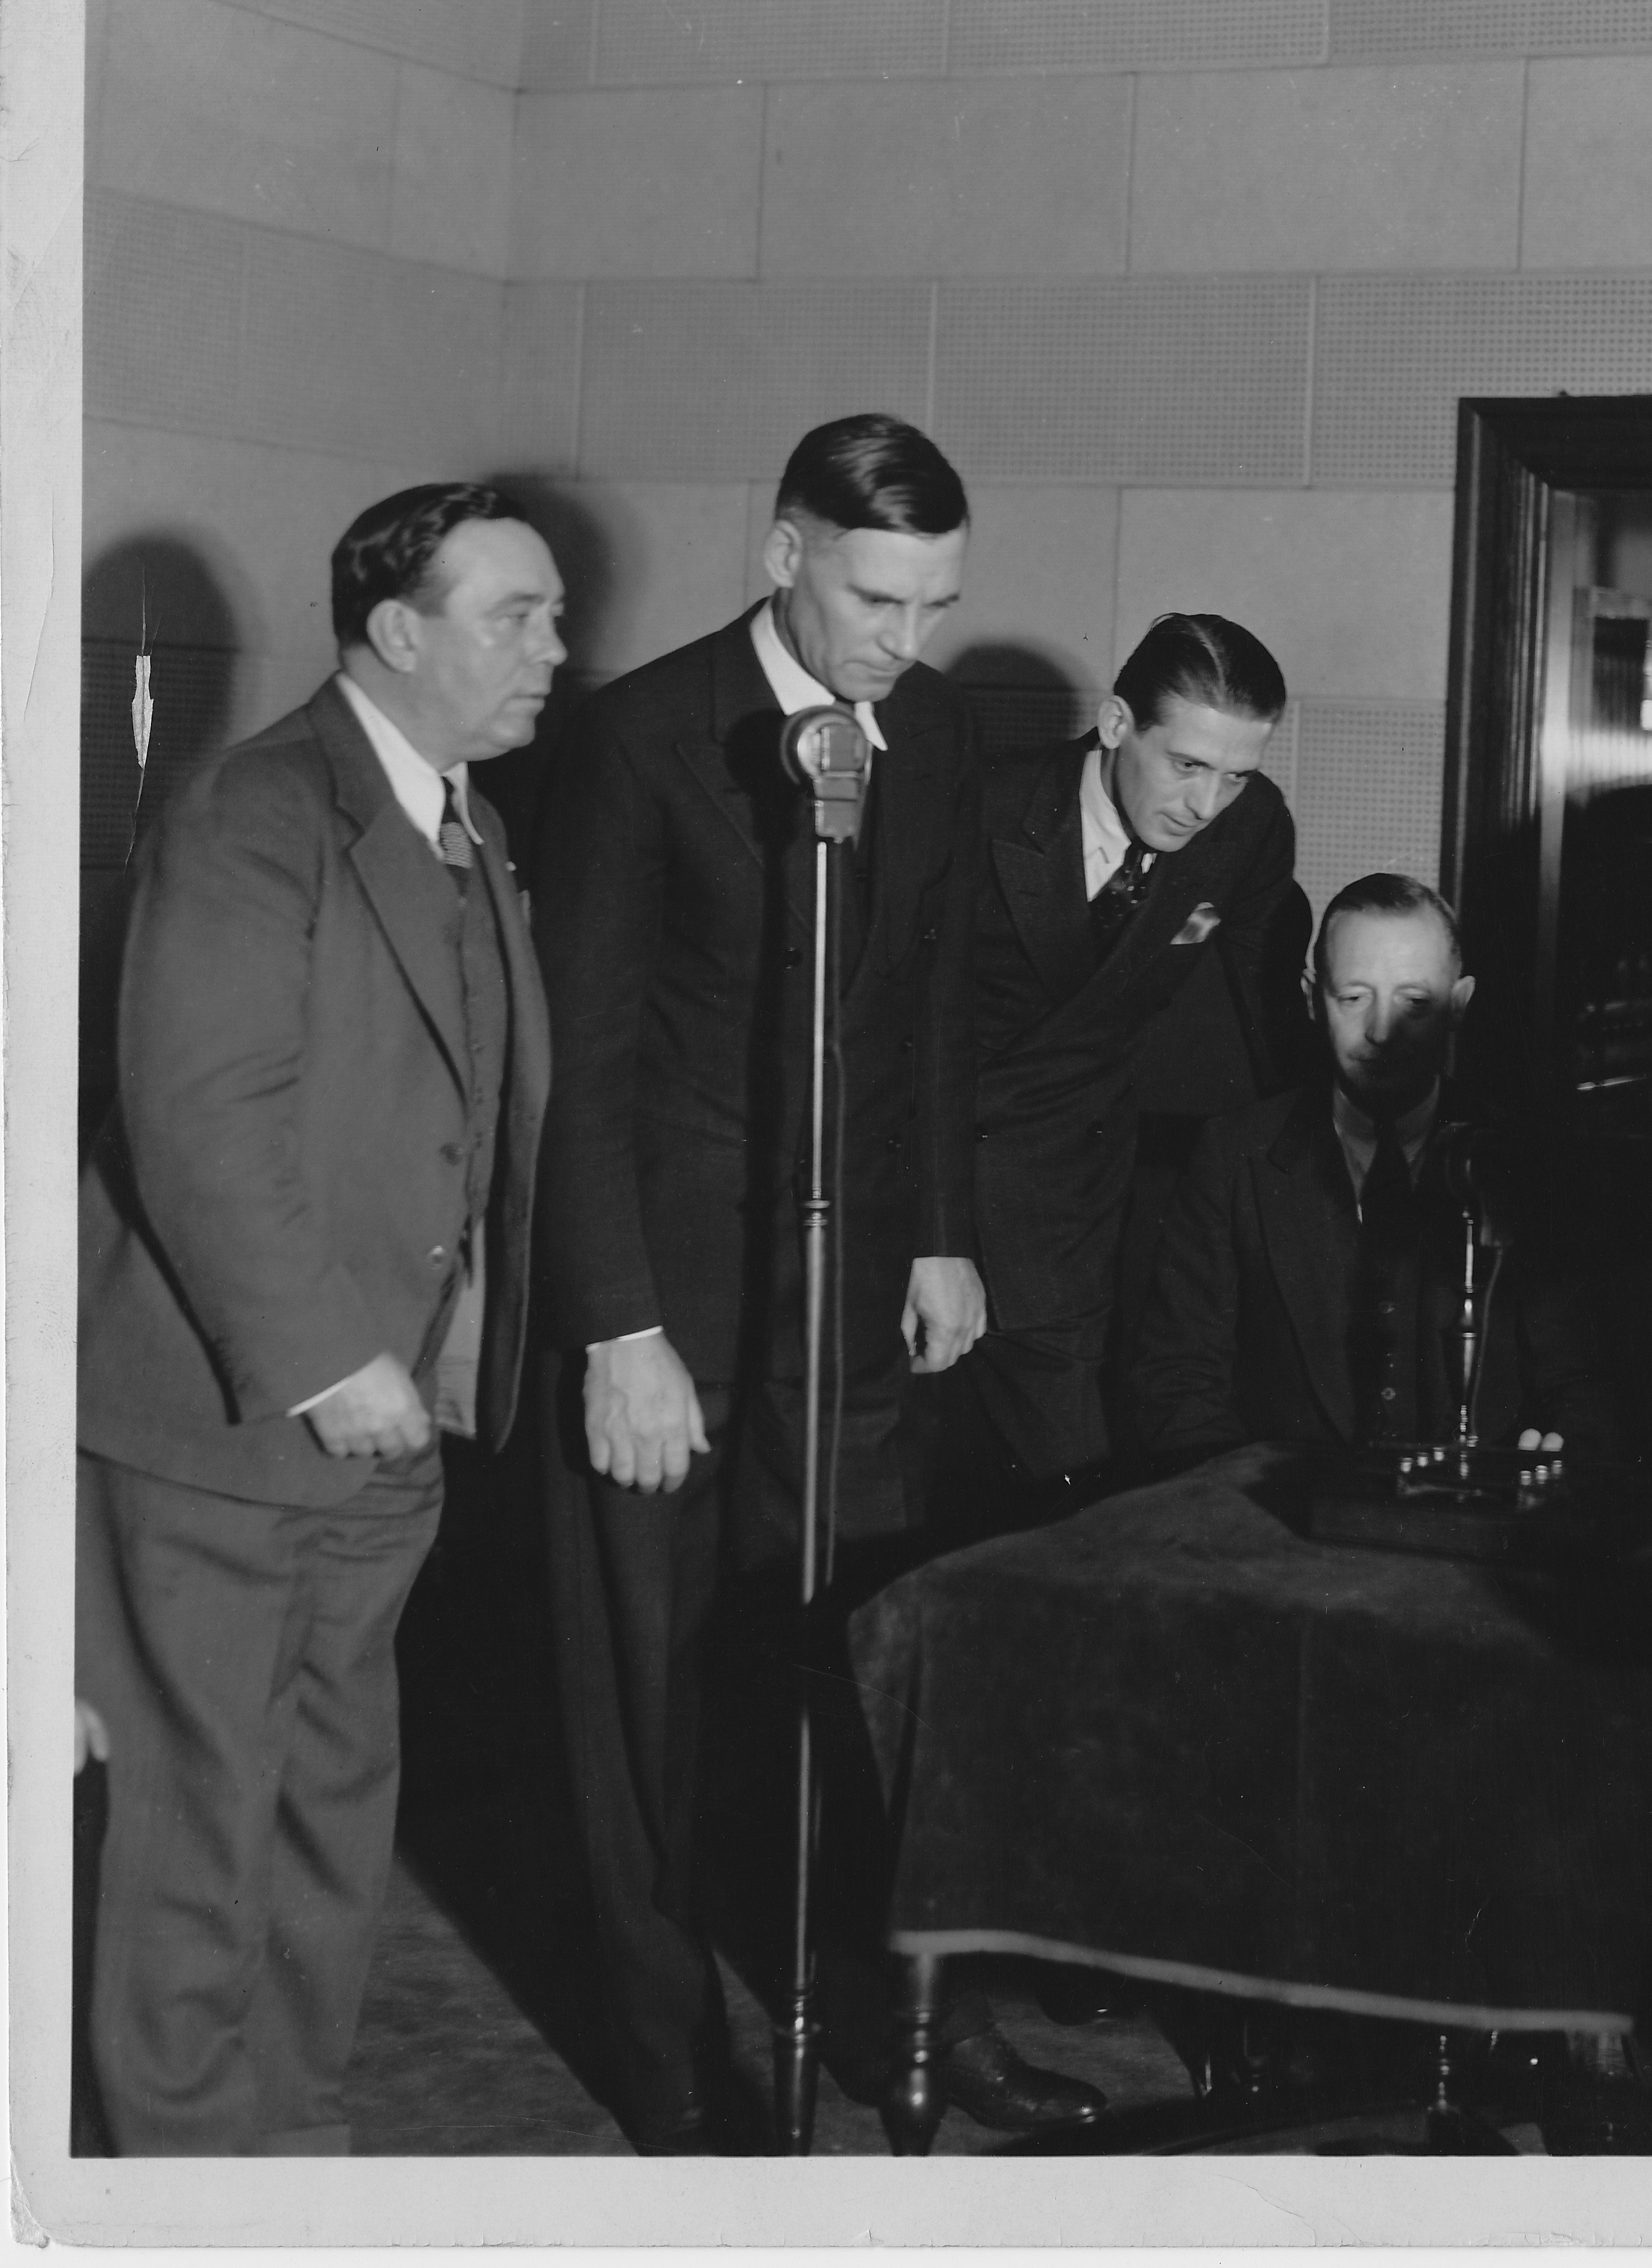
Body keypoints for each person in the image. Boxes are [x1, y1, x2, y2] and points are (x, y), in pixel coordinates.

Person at [531, 413, 1090, 2149]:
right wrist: (618, 1326)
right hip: (671, 1307)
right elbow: (580, 1064)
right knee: (655, 1696)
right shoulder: (637, 739)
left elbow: (923, 1008)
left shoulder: (926, 739)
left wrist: (937, 1229)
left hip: (848, 1308)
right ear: (783, 553)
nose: (900, 639)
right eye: (874, 596)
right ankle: (668, 2053)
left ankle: (877, 2000)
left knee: (853, 1667)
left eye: (933, 604)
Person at [73, 483, 559, 2152]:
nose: (554, 649)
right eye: (517, 614)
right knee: (201, 1824)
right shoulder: (255, 807)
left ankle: (286, 2149)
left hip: (386, 1437)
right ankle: (181, 2180)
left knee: (330, 1815)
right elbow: (198, 1115)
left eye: (554, 616)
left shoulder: (471, 826)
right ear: (398, 630)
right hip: (231, 1427)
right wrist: (329, 1355)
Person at [953, 612, 1299, 1497]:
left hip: (1068, 1212)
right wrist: (930, 1243)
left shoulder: (1249, 827)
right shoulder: (973, 809)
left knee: (1060, 1509)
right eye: (1186, 765)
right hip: (921, 1197)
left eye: (1236, 774)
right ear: (1115, 724)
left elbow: (1262, 1005)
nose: (1205, 805)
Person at [1124, 872, 1620, 1467]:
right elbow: (1177, 1383)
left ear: (1459, 1005)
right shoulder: (1233, 1158)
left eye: (1415, 1002)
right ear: (1313, 997)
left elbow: (1585, 1387)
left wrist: (1550, 1462)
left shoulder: (1526, 1164)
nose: (1382, 1032)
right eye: (1354, 998)